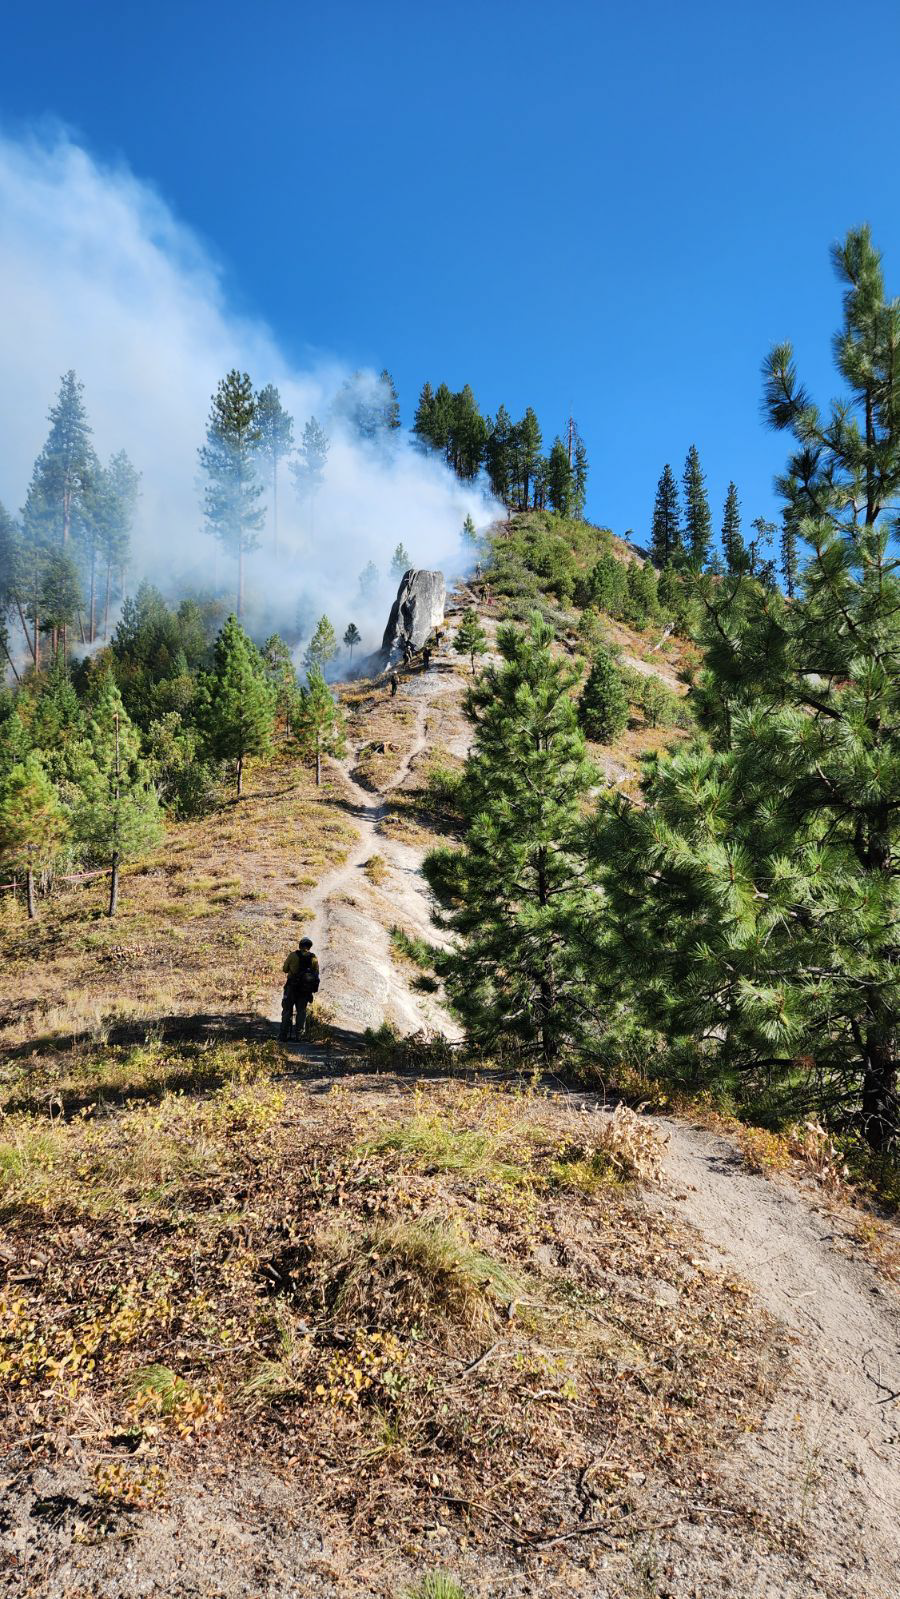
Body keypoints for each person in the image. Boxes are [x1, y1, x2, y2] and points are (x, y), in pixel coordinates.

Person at [280, 936, 320, 1040]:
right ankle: (299, 1036)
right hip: (305, 990)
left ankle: (283, 1035)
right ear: (309, 947)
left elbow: (284, 969)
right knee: (301, 1012)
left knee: (287, 1011)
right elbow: (316, 974)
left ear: (300, 945)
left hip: (291, 988)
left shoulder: (293, 955)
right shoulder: (313, 958)